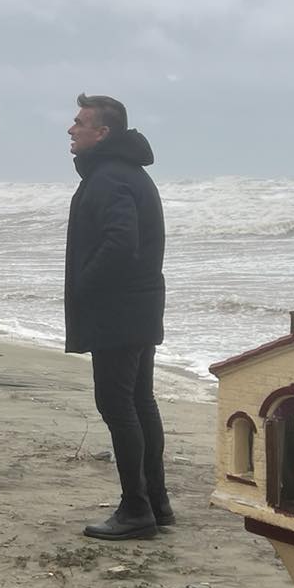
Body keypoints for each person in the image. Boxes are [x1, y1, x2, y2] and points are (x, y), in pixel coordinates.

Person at [64, 94, 172, 540]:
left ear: (102, 133)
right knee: (139, 402)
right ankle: (156, 502)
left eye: (79, 123)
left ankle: (135, 509)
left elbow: (120, 242)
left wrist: (85, 285)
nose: (71, 130)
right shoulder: (127, 174)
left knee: (117, 405)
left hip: (118, 310)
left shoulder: (109, 177)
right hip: (138, 306)